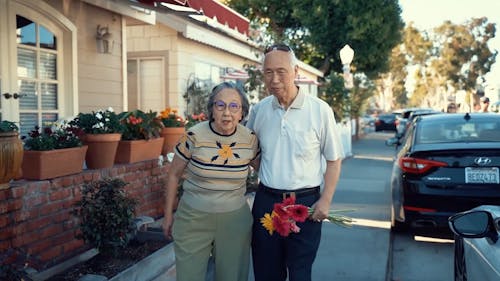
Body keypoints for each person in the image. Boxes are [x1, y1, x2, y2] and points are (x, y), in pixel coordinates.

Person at [246, 43, 344, 281]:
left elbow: (333, 159)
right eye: (268, 72)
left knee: (300, 273)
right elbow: (250, 152)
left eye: (281, 71)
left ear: (296, 71)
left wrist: (326, 200)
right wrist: (269, 168)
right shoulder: (259, 111)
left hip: (305, 206)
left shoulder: (319, 110)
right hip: (266, 202)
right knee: (266, 274)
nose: (274, 78)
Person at [162, 82, 260, 281]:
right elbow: (173, 175)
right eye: (220, 105)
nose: (227, 113)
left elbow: (266, 172)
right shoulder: (194, 136)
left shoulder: (249, 140)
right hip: (193, 218)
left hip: (235, 221)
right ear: (211, 110)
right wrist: (167, 215)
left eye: (234, 106)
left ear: (242, 113)